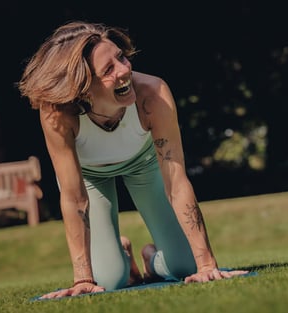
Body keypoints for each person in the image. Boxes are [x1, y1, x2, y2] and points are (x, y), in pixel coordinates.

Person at [18, 20, 248, 299]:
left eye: (121, 57)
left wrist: (206, 265)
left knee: (184, 266)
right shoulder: (57, 114)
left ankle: (152, 258)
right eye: (109, 69)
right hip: (91, 175)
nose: (125, 69)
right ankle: (121, 256)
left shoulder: (153, 94)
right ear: (83, 86)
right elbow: (73, 197)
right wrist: (83, 279)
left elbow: (176, 181)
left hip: (144, 163)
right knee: (109, 280)